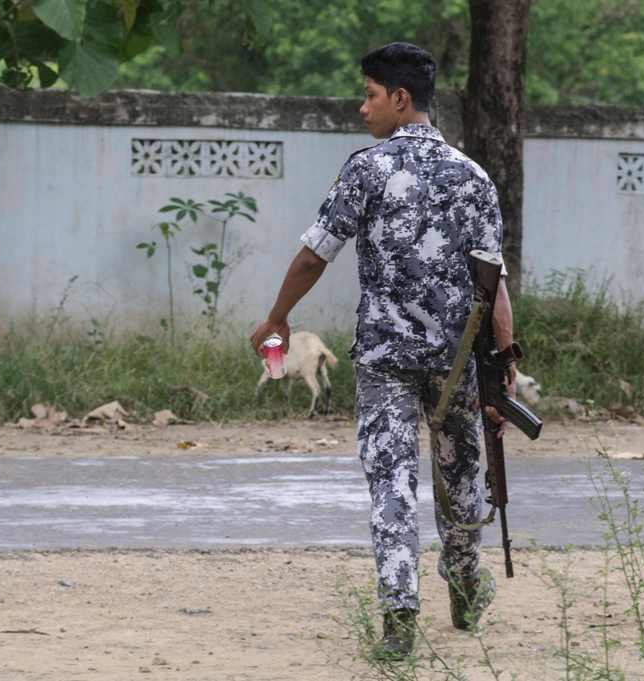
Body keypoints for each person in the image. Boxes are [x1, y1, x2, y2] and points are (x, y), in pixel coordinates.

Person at [249, 42, 516, 660]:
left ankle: (399, 618)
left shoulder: (367, 169)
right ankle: (466, 588)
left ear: (400, 99)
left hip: (386, 363)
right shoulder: (473, 176)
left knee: (391, 487)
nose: (361, 106)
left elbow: (316, 254)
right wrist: (505, 364)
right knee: (459, 481)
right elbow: (492, 282)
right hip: (457, 364)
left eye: (369, 94)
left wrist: (278, 318)